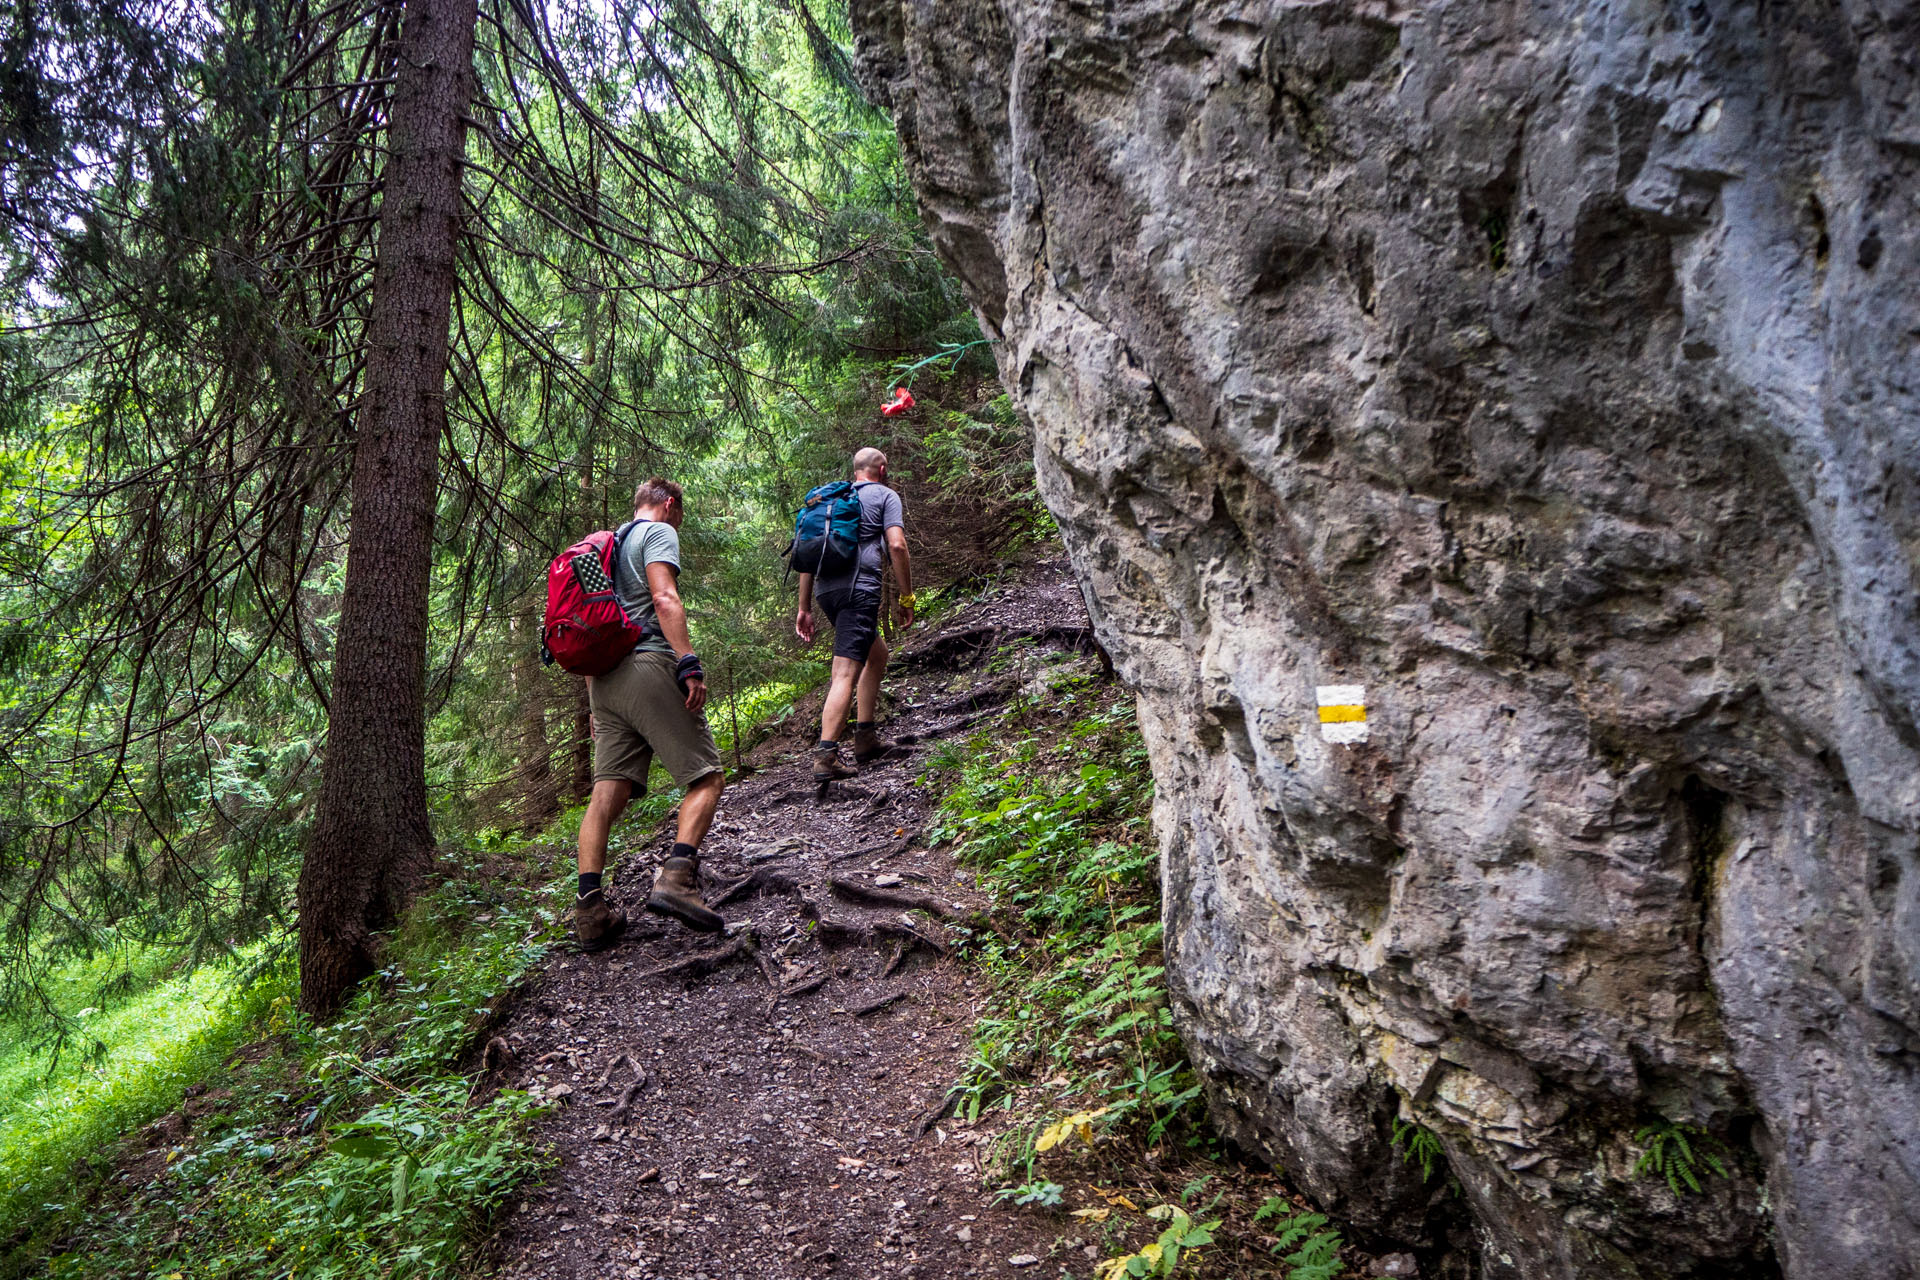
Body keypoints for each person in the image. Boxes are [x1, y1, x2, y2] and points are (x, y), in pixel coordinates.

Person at [574, 477, 727, 951]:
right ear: (668, 504)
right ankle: (677, 878)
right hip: (648, 663)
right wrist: (687, 661)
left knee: (606, 794)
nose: (679, 520)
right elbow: (664, 598)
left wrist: (596, 701)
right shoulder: (656, 532)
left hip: (604, 681)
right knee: (707, 777)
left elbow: (589, 625)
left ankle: (590, 910)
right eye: (679, 512)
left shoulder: (603, 548)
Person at [794, 447, 914, 781]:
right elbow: (897, 545)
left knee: (876, 654)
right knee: (845, 671)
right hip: (858, 592)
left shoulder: (833, 500)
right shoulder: (885, 495)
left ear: (856, 470)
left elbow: (808, 558)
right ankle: (827, 755)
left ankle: (865, 738)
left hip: (826, 592)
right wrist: (907, 596)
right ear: (882, 468)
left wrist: (804, 608)